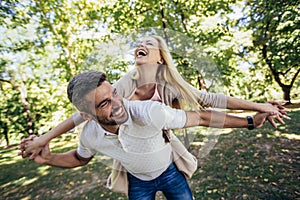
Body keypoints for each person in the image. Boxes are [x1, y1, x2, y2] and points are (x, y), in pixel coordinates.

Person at [20, 35, 289, 194]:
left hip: (162, 146)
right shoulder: (124, 83)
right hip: (132, 152)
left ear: (160, 57)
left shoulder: (169, 85)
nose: (141, 44)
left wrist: (257, 110)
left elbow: (209, 105)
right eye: (139, 43)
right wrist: (42, 139)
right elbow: (82, 116)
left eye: (149, 43)